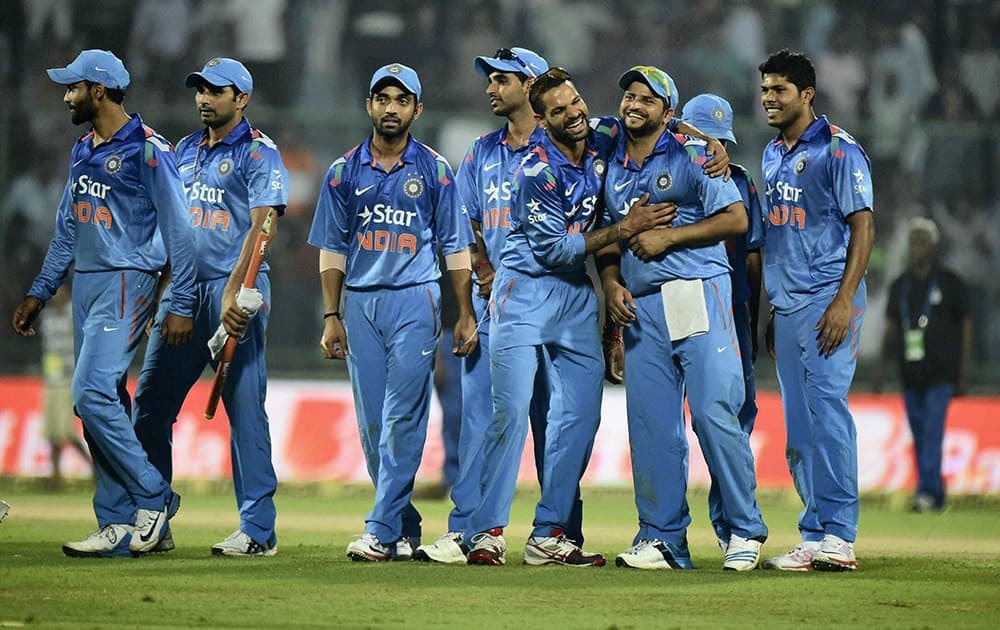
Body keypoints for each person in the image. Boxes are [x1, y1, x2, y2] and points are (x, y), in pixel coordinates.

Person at [464, 67, 674, 567]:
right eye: (559, 110)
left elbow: (658, 123)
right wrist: (626, 228)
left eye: (576, 101)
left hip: (575, 297)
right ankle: (486, 532)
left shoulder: (600, 134)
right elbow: (556, 249)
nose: (574, 113)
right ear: (541, 119)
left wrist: (709, 141)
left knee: (581, 417)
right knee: (511, 412)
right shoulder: (537, 169)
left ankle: (549, 533)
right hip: (523, 289)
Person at [10, 50, 195, 557]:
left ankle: (153, 495)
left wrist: (181, 300)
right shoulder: (83, 149)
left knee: (89, 393)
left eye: (72, 87)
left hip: (127, 281)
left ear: (98, 90)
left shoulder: (149, 150)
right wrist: (40, 290)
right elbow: (68, 228)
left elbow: (180, 231)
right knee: (104, 399)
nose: (65, 95)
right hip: (89, 285)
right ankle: (116, 522)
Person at [414, 47, 588, 565]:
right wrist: (470, 300)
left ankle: (559, 531)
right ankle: (470, 529)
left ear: (531, 86)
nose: (490, 87)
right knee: (485, 417)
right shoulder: (481, 152)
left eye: (501, 79)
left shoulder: (566, 140)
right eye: (489, 79)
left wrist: (703, 140)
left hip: (559, 297)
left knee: (556, 423)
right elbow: (462, 227)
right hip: (499, 301)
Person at [309, 63, 479, 562]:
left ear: (416, 110)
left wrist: (464, 313)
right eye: (383, 98)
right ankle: (404, 526)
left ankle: (380, 531)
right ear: (369, 105)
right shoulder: (343, 171)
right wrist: (330, 315)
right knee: (372, 427)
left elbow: (455, 248)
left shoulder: (434, 170)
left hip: (415, 298)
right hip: (359, 303)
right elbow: (332, 250)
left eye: (401, 101)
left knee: (402, 416)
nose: (391, 108)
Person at [598, 68, 767, 572]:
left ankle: (745, 530)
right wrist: (611, 284)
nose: (635, 104)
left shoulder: (694, 155)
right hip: (642, 304)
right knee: (651, 425)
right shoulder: (609, 160)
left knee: (714, 413)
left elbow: (736, 219)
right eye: (629, 95)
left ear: (668, 112)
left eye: (648, 99)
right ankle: (664, 538)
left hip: (696, 291)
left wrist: (669, 238)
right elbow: (605, 234)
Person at [128, 57, 288, 557]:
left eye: (216, 91)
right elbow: (173, 229)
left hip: (234, 290)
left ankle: (258, 531)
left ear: (241, 99)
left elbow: (264, 225)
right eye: (199, 89)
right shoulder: (184, 150)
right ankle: (154, 513)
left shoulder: (260, 153)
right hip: (183, 294)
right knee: (150, 407)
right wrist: (165, 292)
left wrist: (233, 291)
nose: (203, 98)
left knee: (245, 411)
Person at [758, 49, 875, 572]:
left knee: (827, 411)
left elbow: (864, 226)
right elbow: (778, 235)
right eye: (765, 90)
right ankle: (813, 531)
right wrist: (771, 307)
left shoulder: (838, 149)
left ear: (806, 94)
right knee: (800, 429)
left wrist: (844, 300)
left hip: (830, 299)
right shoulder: (770, 154)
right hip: (787, 307)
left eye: (779, 90)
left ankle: (841, 536)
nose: (768, 99)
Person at [679, 93, 767, 554]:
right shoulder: (672, 166)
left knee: (730, 417)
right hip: (690, 300)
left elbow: (753, 253)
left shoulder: (739, 179)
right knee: (713, 416)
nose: (712, 148)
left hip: (728, 305)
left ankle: (729, 520)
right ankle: (720, 522)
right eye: (701, 137)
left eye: (719, 140)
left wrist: (749, 316)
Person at [875, 217, 971, 512]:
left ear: (934, 244)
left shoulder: (950, 283)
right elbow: (891, 328)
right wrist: (880, 368)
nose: (917, 246)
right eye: (913, 240)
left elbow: (966, 327)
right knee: (919, 432)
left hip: (941, 372)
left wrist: (961, 371)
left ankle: (926, 492)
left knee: (932, 431)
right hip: (910, 372)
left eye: (922, 240)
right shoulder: (900, 285)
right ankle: (934, 494)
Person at [40, 283, 92, 487]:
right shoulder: (46, 316)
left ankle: (93, 469)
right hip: (50, 379)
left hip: (68, 378)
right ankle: (55, 476)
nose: (55, 295)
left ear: (67, 292)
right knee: (51, 431)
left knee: (65, 431)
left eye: (59, 291)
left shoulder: (74, 313)